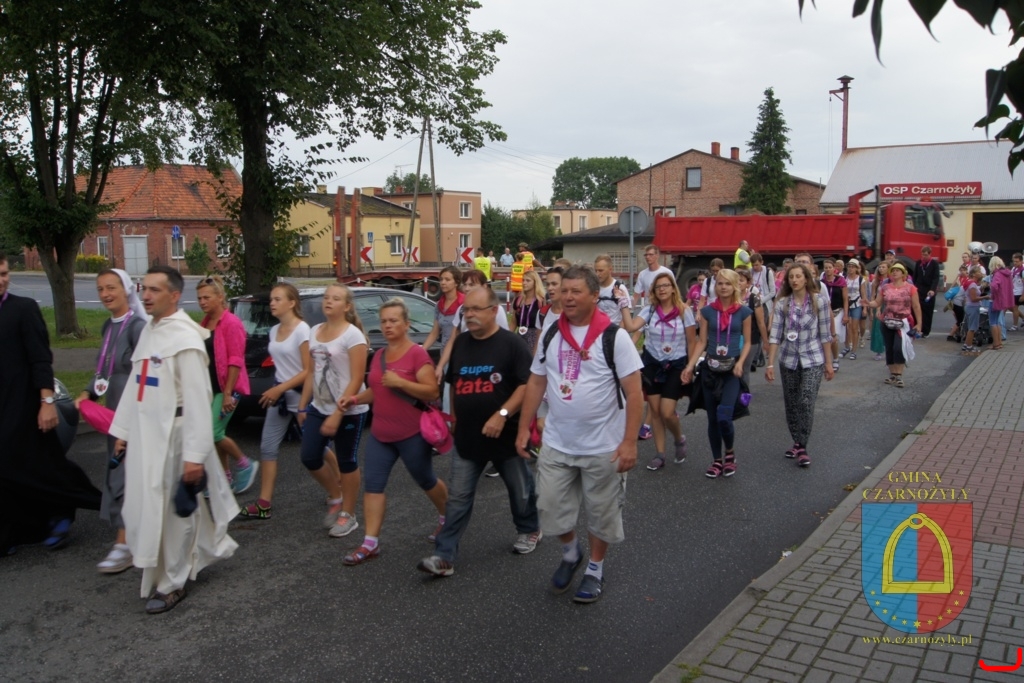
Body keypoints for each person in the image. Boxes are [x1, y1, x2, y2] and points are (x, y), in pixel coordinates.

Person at [109, 265, 238, 614]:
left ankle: (172, 583)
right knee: (150, 505)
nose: (146, 295)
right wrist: (123, 432)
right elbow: (137, 384)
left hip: (175, 435)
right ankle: (181, 560)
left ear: (175, 295)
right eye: (144, 288)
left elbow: (198, 400)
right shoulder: (150, 332)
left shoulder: (185, 339)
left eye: (155, 289)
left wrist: (194, 455)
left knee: (174, 511)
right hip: (147, 434)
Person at [515, 264, 644, 604]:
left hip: (604, 445)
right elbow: (537, 381)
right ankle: (572, 553)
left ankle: (595, 570)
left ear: (594, 296)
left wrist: (629, 442)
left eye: (576, 291)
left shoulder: (614, 337)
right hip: (558, 441)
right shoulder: (551, 333)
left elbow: (635, 393)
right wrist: (523, 427)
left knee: (601, 514)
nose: (567, 297)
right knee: (550, 506)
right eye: (564, 291)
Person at [417, 287, 540, 577]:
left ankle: (529, 528)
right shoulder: (461, 343)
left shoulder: (512, 344)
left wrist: (502, 414)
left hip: (506, 436)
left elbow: (526, 386)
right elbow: (454, 383)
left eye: (475, 310)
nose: (468, 315)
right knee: (458, 497)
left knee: (520, 490)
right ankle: (444, 556)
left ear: (494, 311)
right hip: (468, 437)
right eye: (466, 310)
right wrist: (454, 418)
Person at [0, 253, 101, 556]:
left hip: (24, 404)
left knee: (40, 464)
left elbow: (40, 358)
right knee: (10, 469)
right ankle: (19, 529)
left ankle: (77, 506)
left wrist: (47, 402)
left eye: (4, 274)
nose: (2, 280)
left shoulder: (23, 309)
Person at [337, 298, 448, 566]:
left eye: (393, 321)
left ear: (406, 324)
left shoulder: (416, 354)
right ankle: (370, 543)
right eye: (384, 321)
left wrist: (401, 382)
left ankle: (448, 518)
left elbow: (432, 391)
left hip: (412, 434)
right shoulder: (379, 356)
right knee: (373, 486)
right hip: (381, 435)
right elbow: (378, 391)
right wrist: (355, 399)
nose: (387, 326)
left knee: (426, 479)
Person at [74, 269, 147, 572]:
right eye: (100, 289)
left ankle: (124, 543)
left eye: (111, 288)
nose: (105, 294)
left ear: (126, 290)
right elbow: (103, 370)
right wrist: (87, 392)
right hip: (111, 415)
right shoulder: (108, 326)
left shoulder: (138, 328)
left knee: (124, 474)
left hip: (132, 414)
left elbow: (144, 376)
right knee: (119, 471)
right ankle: (131, 537)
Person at [295, 283, 368, 537]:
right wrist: (303, 405)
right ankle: (336, 496)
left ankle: (348, 515)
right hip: (319, 406)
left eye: (335, 298)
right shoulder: (314, 330)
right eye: (326, 297)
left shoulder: (353, 336)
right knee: (309, 456)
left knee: (347, 461)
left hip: (349, 410)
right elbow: (311, 373)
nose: (328, 301)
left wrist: (338, 413)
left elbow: (357, 379)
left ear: (346, 306)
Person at [237, 284, 310, 520]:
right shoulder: (274, 330)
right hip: (279, 397)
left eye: (278, 299)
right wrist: (278, 388)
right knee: (268, 447)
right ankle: (264, 504)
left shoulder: (302, 330)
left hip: (300, 395)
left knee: (316, 448)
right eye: (271, 299)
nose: (272, 303)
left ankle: (338, 483)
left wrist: (280, 388)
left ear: (292, 303)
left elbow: (308, 371)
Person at [682, 269, 752, 479]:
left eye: (727, 283)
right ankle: (716, 460)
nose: (723, 287)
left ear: (735, 286)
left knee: (724, 415)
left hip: (731, 371)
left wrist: (741, 363)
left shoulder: (744, 312)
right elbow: (702, 342)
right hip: (710, 370)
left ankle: (729, 453)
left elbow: (748, 342)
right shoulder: (707, 312)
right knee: (712, 418)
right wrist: (689, 366)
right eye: (719, 283)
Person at [623, 272, 696, 471]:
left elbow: (692, 341)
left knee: (667, 412)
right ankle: (660, 454)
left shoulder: (684, 311)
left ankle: (679, 438)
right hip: (652, 364)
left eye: (666, 285)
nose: (662, 289)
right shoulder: (650, 310)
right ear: (653, 291)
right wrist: (623, 305)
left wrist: (690, 367)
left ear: (673, 288)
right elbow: (631, 326)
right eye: (658, 287)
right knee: (655, 411)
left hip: (676, 365)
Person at [765, 263, 835, 468]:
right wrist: (770, 365)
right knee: (792, 403)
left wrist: (829, 363)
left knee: (805, 400)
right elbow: (775, 335)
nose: (795, 280)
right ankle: (796, 440)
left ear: (806, 279)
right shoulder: (782, 303)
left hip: (813, 358)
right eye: (791, 277)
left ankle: (803, 446)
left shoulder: (819, 302)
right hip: (788, 359)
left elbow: (825, 334)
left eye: (798, 276)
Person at [196, 276, 257, 493]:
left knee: (212, 432)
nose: (202, 302)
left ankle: (245, 464)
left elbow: (235, 360)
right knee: (218, 434)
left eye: (206, 297)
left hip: (228, 389)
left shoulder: (231, 323)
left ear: (220, 297)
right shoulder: (204, 323)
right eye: (199, 298)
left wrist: (229, 393)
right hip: (210, 388)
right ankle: (225, 477)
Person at [865, 262, 922, 388]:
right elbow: (877, 302)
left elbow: (916, 306)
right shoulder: (885, 287)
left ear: (903, 274)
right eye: (893, 270)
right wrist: (868, 303)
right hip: (887, 321)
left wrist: (919, 324)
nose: (895, 272)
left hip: (903, 322)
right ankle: (892, 374)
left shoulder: (910, 288)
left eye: (898, 270)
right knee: (889, 348)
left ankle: (899, 375)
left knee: (898, 347)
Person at [737, 269, 769, 387]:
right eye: (736, 280)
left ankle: (744, 394)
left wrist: (765, 341)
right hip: (733, 337)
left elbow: (760, 322)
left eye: (741, 280)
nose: (738, 283)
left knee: (744, 369)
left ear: (748, 283)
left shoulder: (753, 298)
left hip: (751, 338)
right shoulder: (729, 298)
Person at [820, 259, 848, 371]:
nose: (828, 270)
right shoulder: (821, 282)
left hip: (837, 311)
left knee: (833, 336)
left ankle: (835, 359)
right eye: (826, 268)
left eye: (830, 267)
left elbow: (845, 299)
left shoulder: (841, 281)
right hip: (825, 312)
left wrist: (846, 314)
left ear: (834, 268)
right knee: (824, 337)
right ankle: (826, 360)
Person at [512, 269, 546, 352]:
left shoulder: (541, 301)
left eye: (528, 280)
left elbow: (544, 325)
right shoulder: (519, 300)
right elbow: (513, 323)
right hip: (520, 337)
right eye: (523, 280)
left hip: (535, 338)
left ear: (535, 282)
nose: (524, 283)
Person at [914, 246, 940, 337]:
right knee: (918, 309)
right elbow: (915, 276)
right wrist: (914, 288)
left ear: (930, 254)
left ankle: (926, 331)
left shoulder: (934, 264)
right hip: (919, 289)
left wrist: (932, 289)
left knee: (927, 311)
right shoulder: (918, 263)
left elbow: (936, 278)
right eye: (922, 254)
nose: (924, 257)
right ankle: (918, 329)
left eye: (925, 255)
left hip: (929, 290)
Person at [844, 259, 867, 359]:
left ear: (857, 268)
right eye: (849, 266)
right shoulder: (844, 278)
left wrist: (865, 308)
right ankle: (847, 346)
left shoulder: (860, 279)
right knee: (847, 327)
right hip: (846, 304)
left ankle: (854, 350)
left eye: (853, 267)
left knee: (854, 327)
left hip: (857, 304)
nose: (850, 269)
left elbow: (863, 295)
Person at [961, 265, 985, 354]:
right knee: (972, 328)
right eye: (979, 272)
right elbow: (974, 298)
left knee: (970, 326)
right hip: (973, 307)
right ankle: (969, 346)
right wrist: (985, 297)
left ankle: (966, 345)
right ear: (974, 274)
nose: (980, 273)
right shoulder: (972, 284)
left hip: (969, 306)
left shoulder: (969, 282)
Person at [869, 262, 889, 361]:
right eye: (880, 267)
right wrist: (871, 309)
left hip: (888, 305)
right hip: (877, 305)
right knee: (877, 328)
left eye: (883, 267)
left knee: (888, 328)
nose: (881, 269)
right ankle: (878, 351)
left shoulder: (890, 281)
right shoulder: (876, 281)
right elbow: (873, 295)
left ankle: (888, 348)